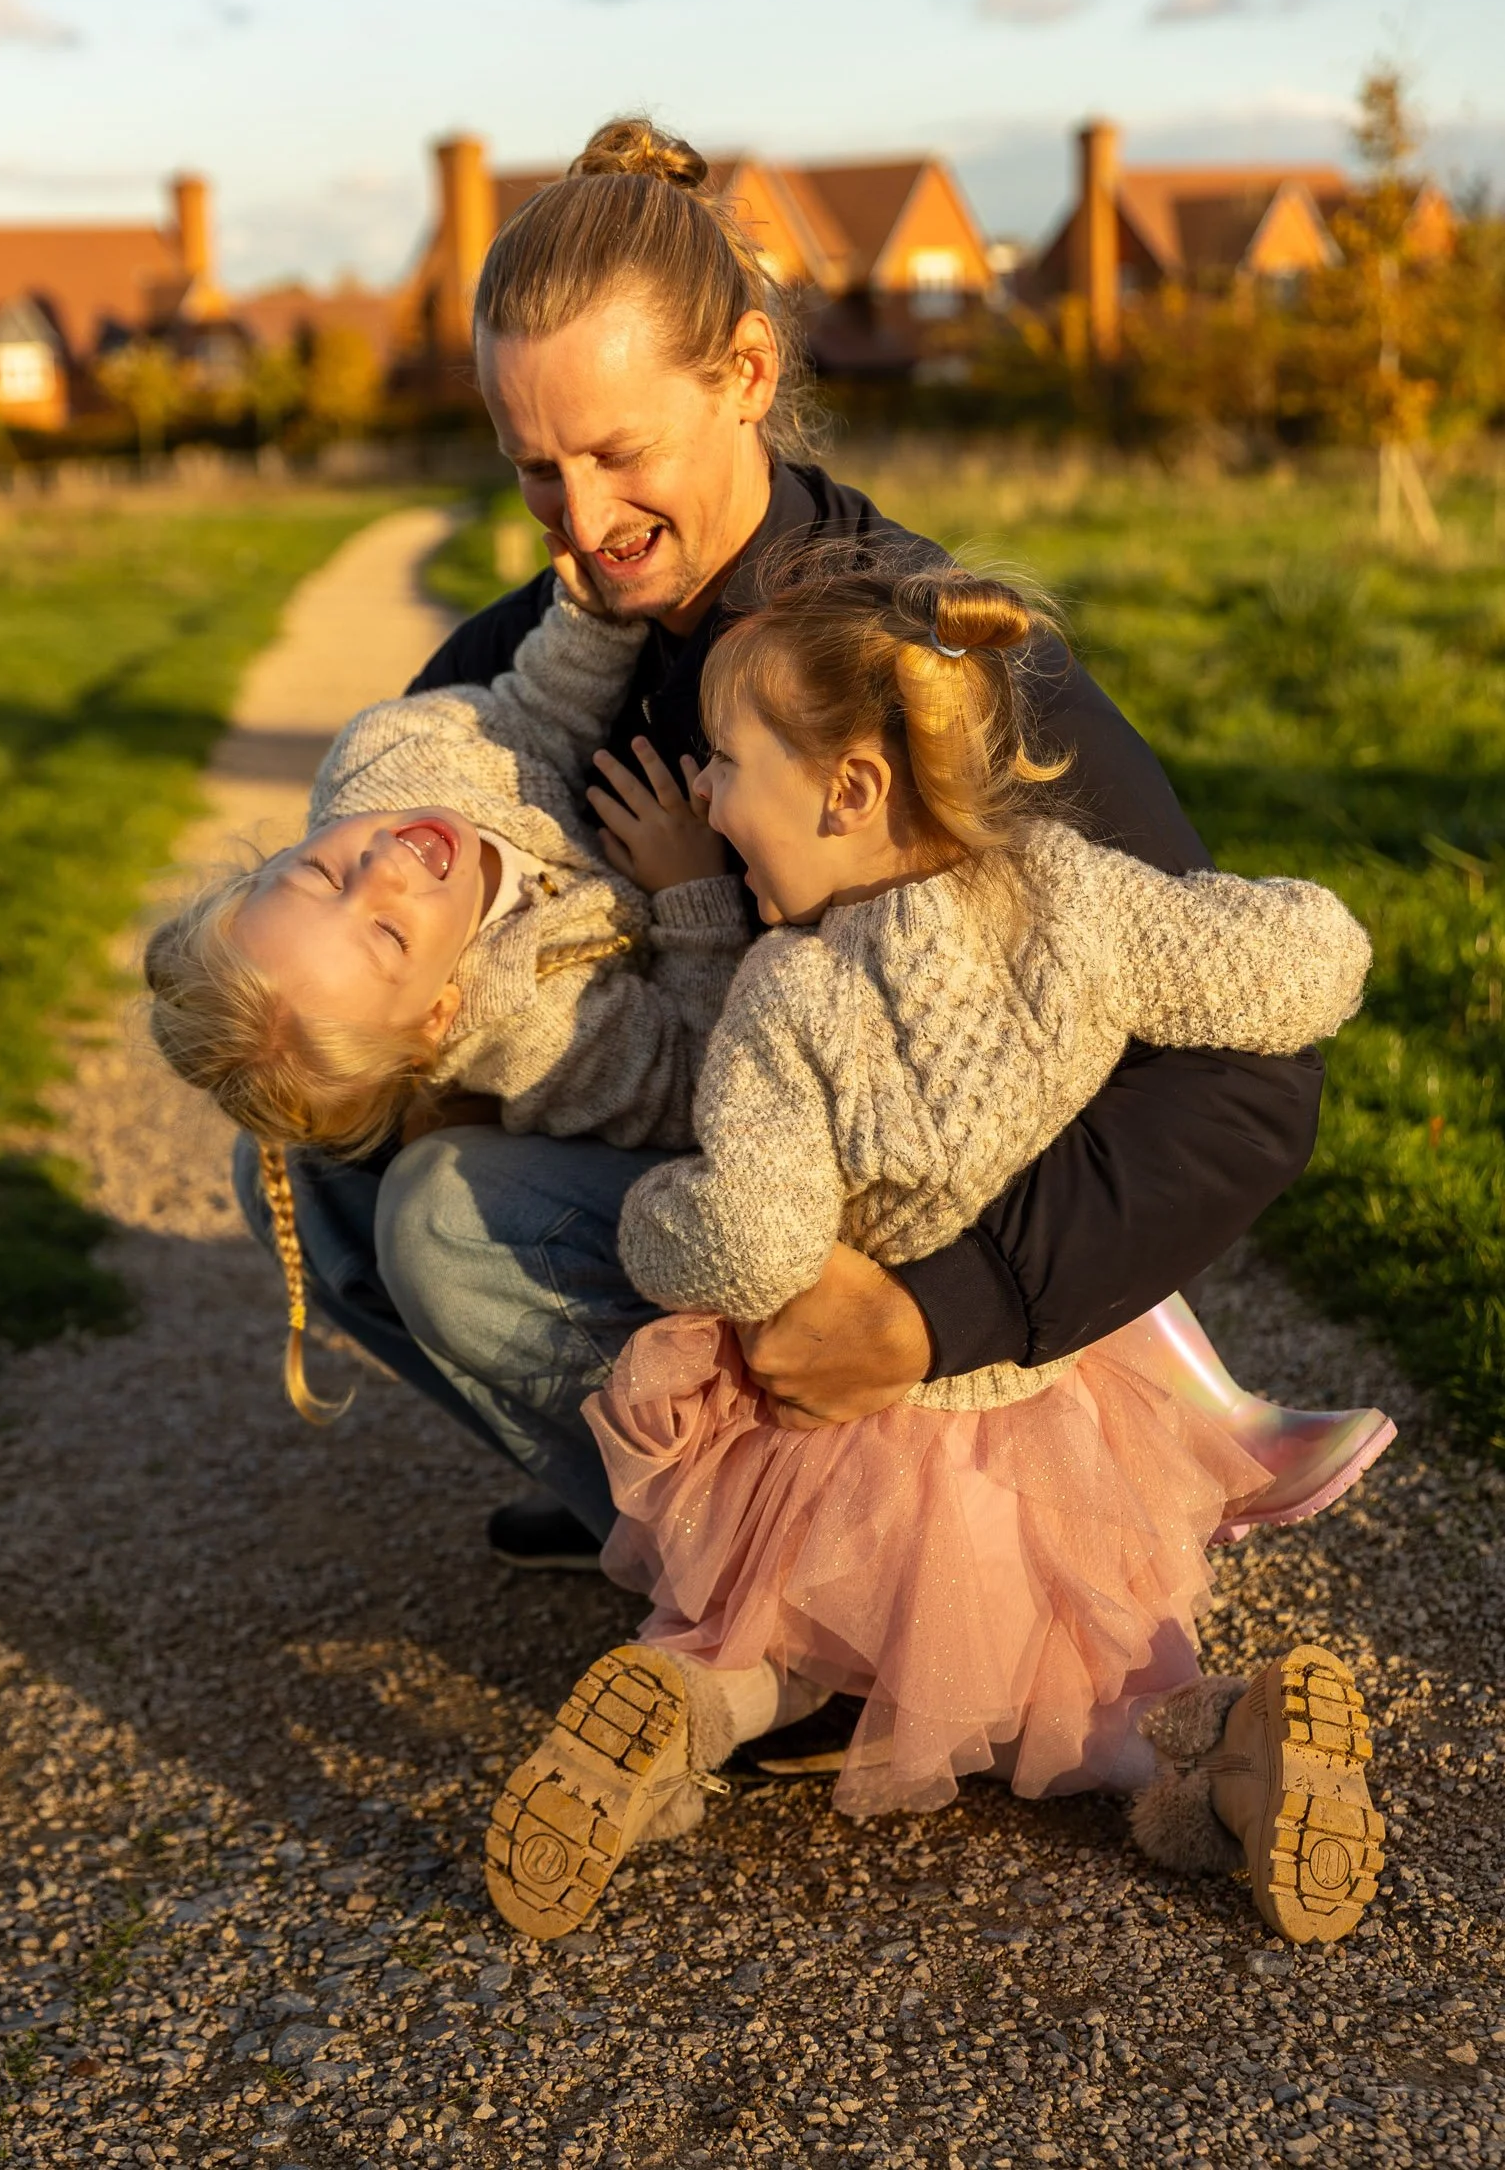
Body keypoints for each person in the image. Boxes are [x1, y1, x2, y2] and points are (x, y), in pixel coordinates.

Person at [231, 115, 1329, 1602]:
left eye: (620, 453)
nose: (585, 526)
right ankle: (649, 1489)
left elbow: (1250, 1086)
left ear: (745, 376)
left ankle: (824, 1608)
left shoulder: (910, 663)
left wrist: (943, 1310)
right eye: (535, 470)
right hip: (717, 1162)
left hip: (882, 1231)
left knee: (440, 1220)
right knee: (302, 1161)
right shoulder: (534, 645)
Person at [484, 550, 1389, 1949]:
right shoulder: (1072, 894)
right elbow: (1305, 964)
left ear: (847, 792)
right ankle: (1221, 1745)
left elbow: (750, 1235)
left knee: (762, 1637)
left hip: (849, 1432)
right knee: (1098, 1674)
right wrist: (1308, 918)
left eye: (726, 765)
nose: (711, 797)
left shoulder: (792, 995)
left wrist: (652, 1218)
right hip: (1054, 1409)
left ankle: (677, 1713)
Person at [148, 553, 746, 1470]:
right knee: (303, 1184)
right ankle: (652, 1486)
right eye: (388, 936)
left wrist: (596, 613)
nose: (383, 867)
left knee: (316, 1175)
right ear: (437, 1015)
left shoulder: (385, 759)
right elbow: (699, 1083)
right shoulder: (540, 1028)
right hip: (699, 1188)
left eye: (318, 871)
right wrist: (693, 894)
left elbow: (529, 715)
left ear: (269, 859)